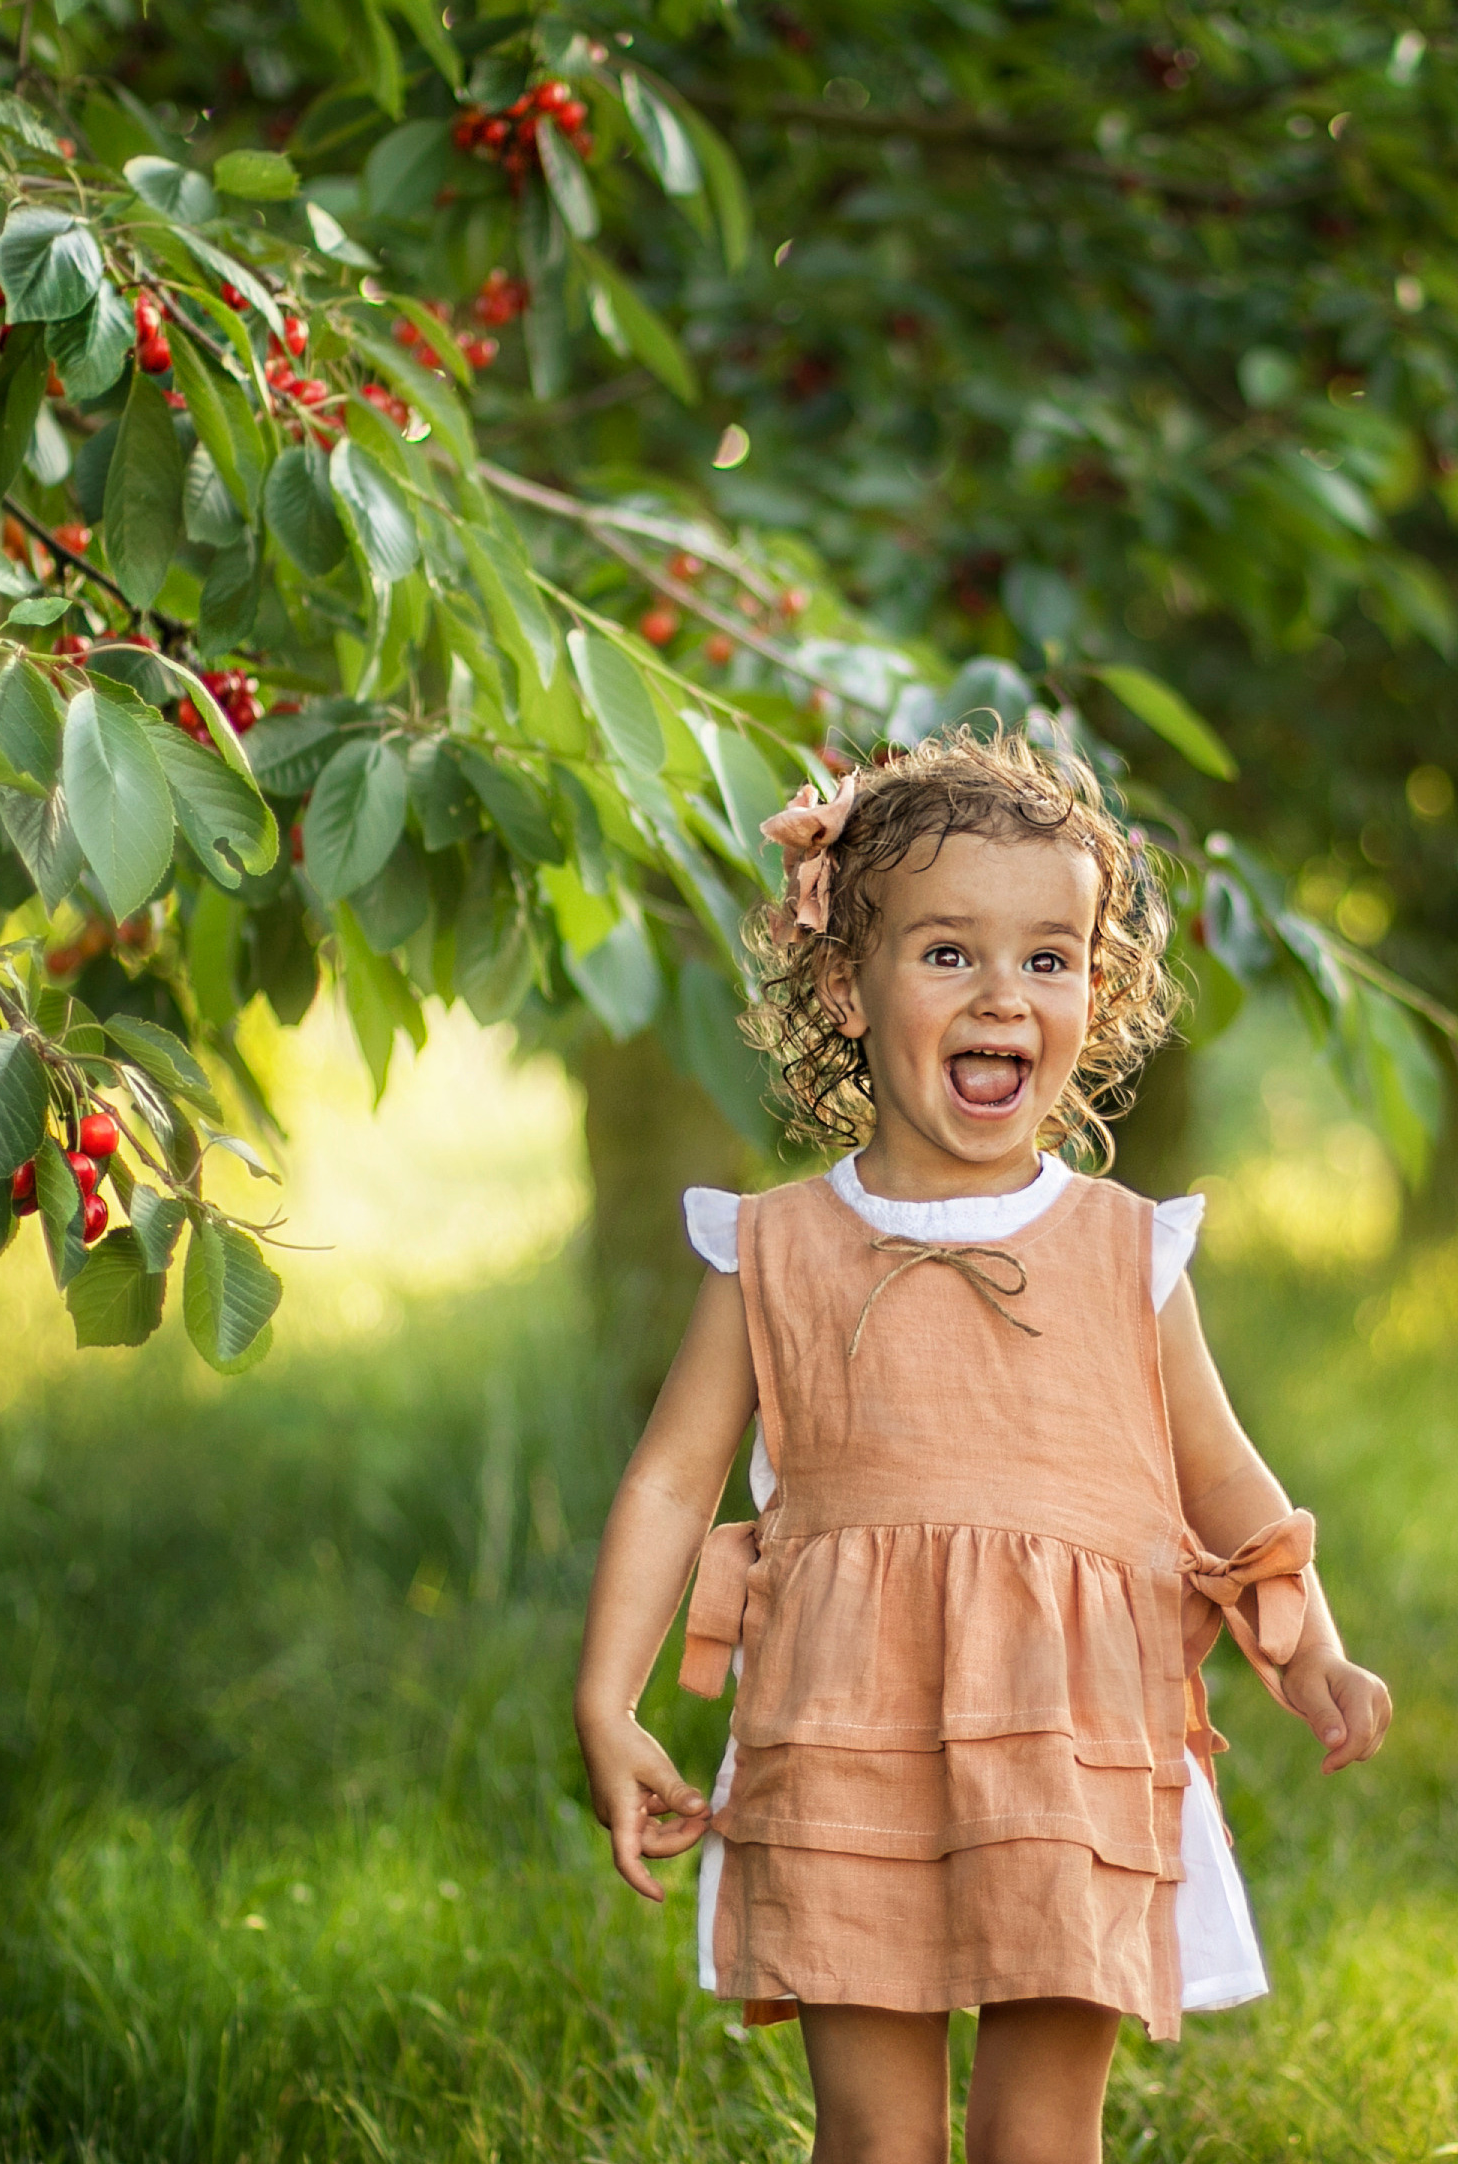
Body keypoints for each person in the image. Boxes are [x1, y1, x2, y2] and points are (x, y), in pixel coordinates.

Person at [574, 727, 1391, 2163]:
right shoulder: (770, 1250)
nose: (1002, 995)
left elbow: (1229, 1484)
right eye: (947, 954)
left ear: (1092, 992)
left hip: (1071, 1749)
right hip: (841, 1749)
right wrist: (610, 1695)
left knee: (1036, 2137)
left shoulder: (1125, 1252)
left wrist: (1304, 1646)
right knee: (874, 2144)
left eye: (1048, 959)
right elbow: (666, 1480)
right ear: (846, 982)